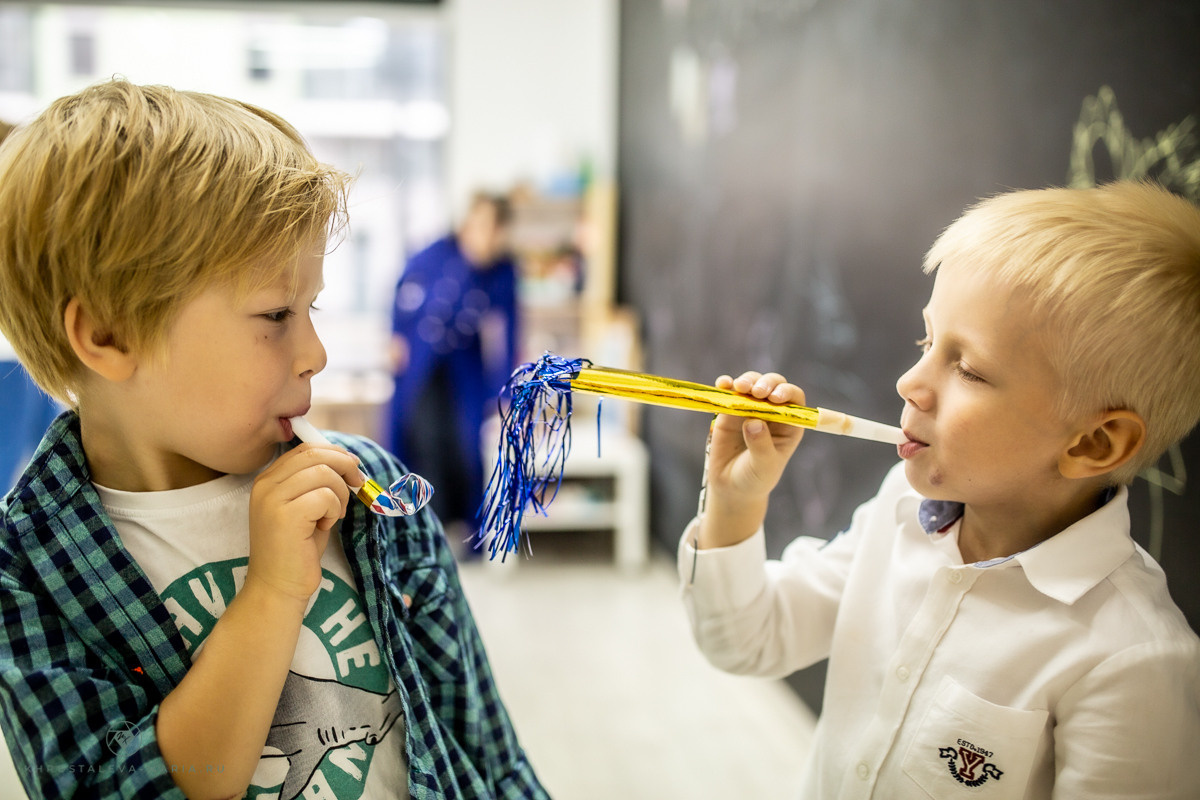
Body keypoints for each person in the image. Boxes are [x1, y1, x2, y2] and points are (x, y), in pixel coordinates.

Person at [0, 79, 546, 800]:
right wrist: (271, 594)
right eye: (276, 314)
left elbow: (489, 756)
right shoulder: (27, 573)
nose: (315, 352)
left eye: (311, 307)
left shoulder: (373, 493)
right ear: (109, 334)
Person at [679, 181, 1200, 799]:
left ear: (1093, 443)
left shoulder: (1130, 659)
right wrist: (736, 501)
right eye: (926, 342)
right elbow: (745, 641)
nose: (908, 382)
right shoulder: (900, 510)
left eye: (969, 369)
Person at [387, 193, 519, 550]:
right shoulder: (433, 254)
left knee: (468, 441)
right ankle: (425, 527)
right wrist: (396, 336)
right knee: (422, 438)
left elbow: (509, 334)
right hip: (421, 361)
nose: (485, 237)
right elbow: (402, 293)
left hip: (465, 364)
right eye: (480, 226)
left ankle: (467, 527)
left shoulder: (503, 271)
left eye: (494, 229)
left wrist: (508, 391)